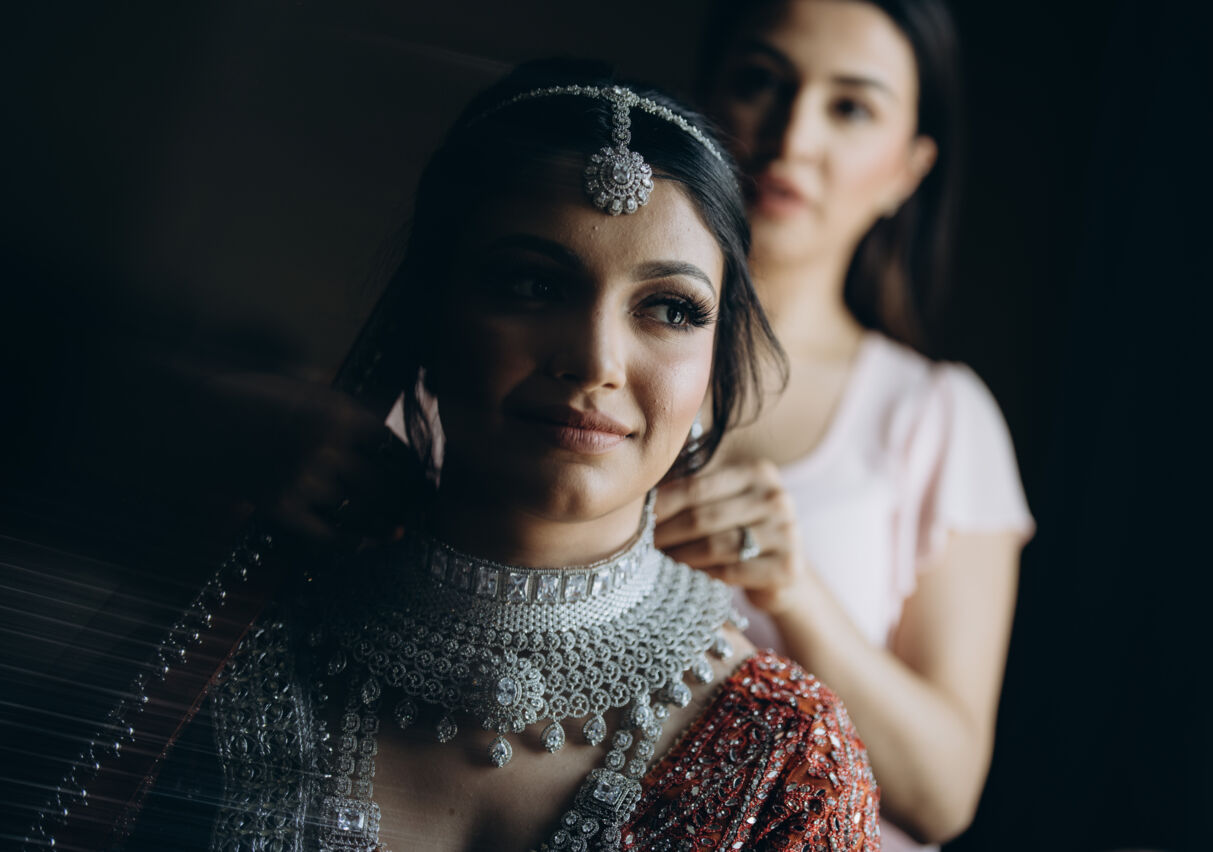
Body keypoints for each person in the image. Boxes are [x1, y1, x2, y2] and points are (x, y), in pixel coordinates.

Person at [33, 65, 882, 852]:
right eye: (532, 284)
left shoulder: (784, 756)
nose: (595, 362)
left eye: (669, 308)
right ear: (428, 319)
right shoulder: (236, 654)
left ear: (715, 361)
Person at [652, 2, 1034, 849]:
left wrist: (796, 596)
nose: (793, 137)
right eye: (761, 82)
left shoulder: (939, 416)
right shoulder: (581, 361)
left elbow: (944, 796)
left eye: (851, 107)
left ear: (908, 169)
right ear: (702, 102)